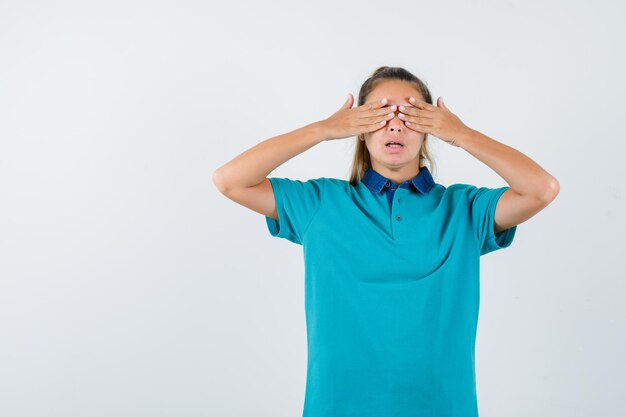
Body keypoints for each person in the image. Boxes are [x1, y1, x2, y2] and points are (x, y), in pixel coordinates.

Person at [213, 66, 559, 417]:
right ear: (359, 129)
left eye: (411, 114)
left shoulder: (464, 209)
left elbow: (541, 189)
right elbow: (230, 180)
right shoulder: (321, 204)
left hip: (442, 407)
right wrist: (323, 129)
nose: (395, 124)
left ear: (429, 130)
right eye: (379, 113)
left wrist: (462, 134)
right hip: (338, 407)